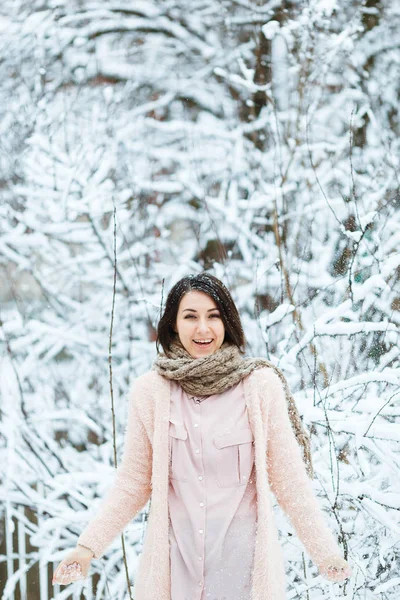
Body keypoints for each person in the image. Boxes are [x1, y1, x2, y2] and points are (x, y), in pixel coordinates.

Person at [52, 272, 352, 598]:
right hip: (174, 577)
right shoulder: (150, 392)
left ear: (228, 324)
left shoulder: (259, 387)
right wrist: (87, 548)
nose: (203, 329)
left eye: (213, 316)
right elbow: (133, 482)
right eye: (190, 317)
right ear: (173, 325)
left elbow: (289, 479)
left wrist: (325, 553)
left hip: (242, 578)